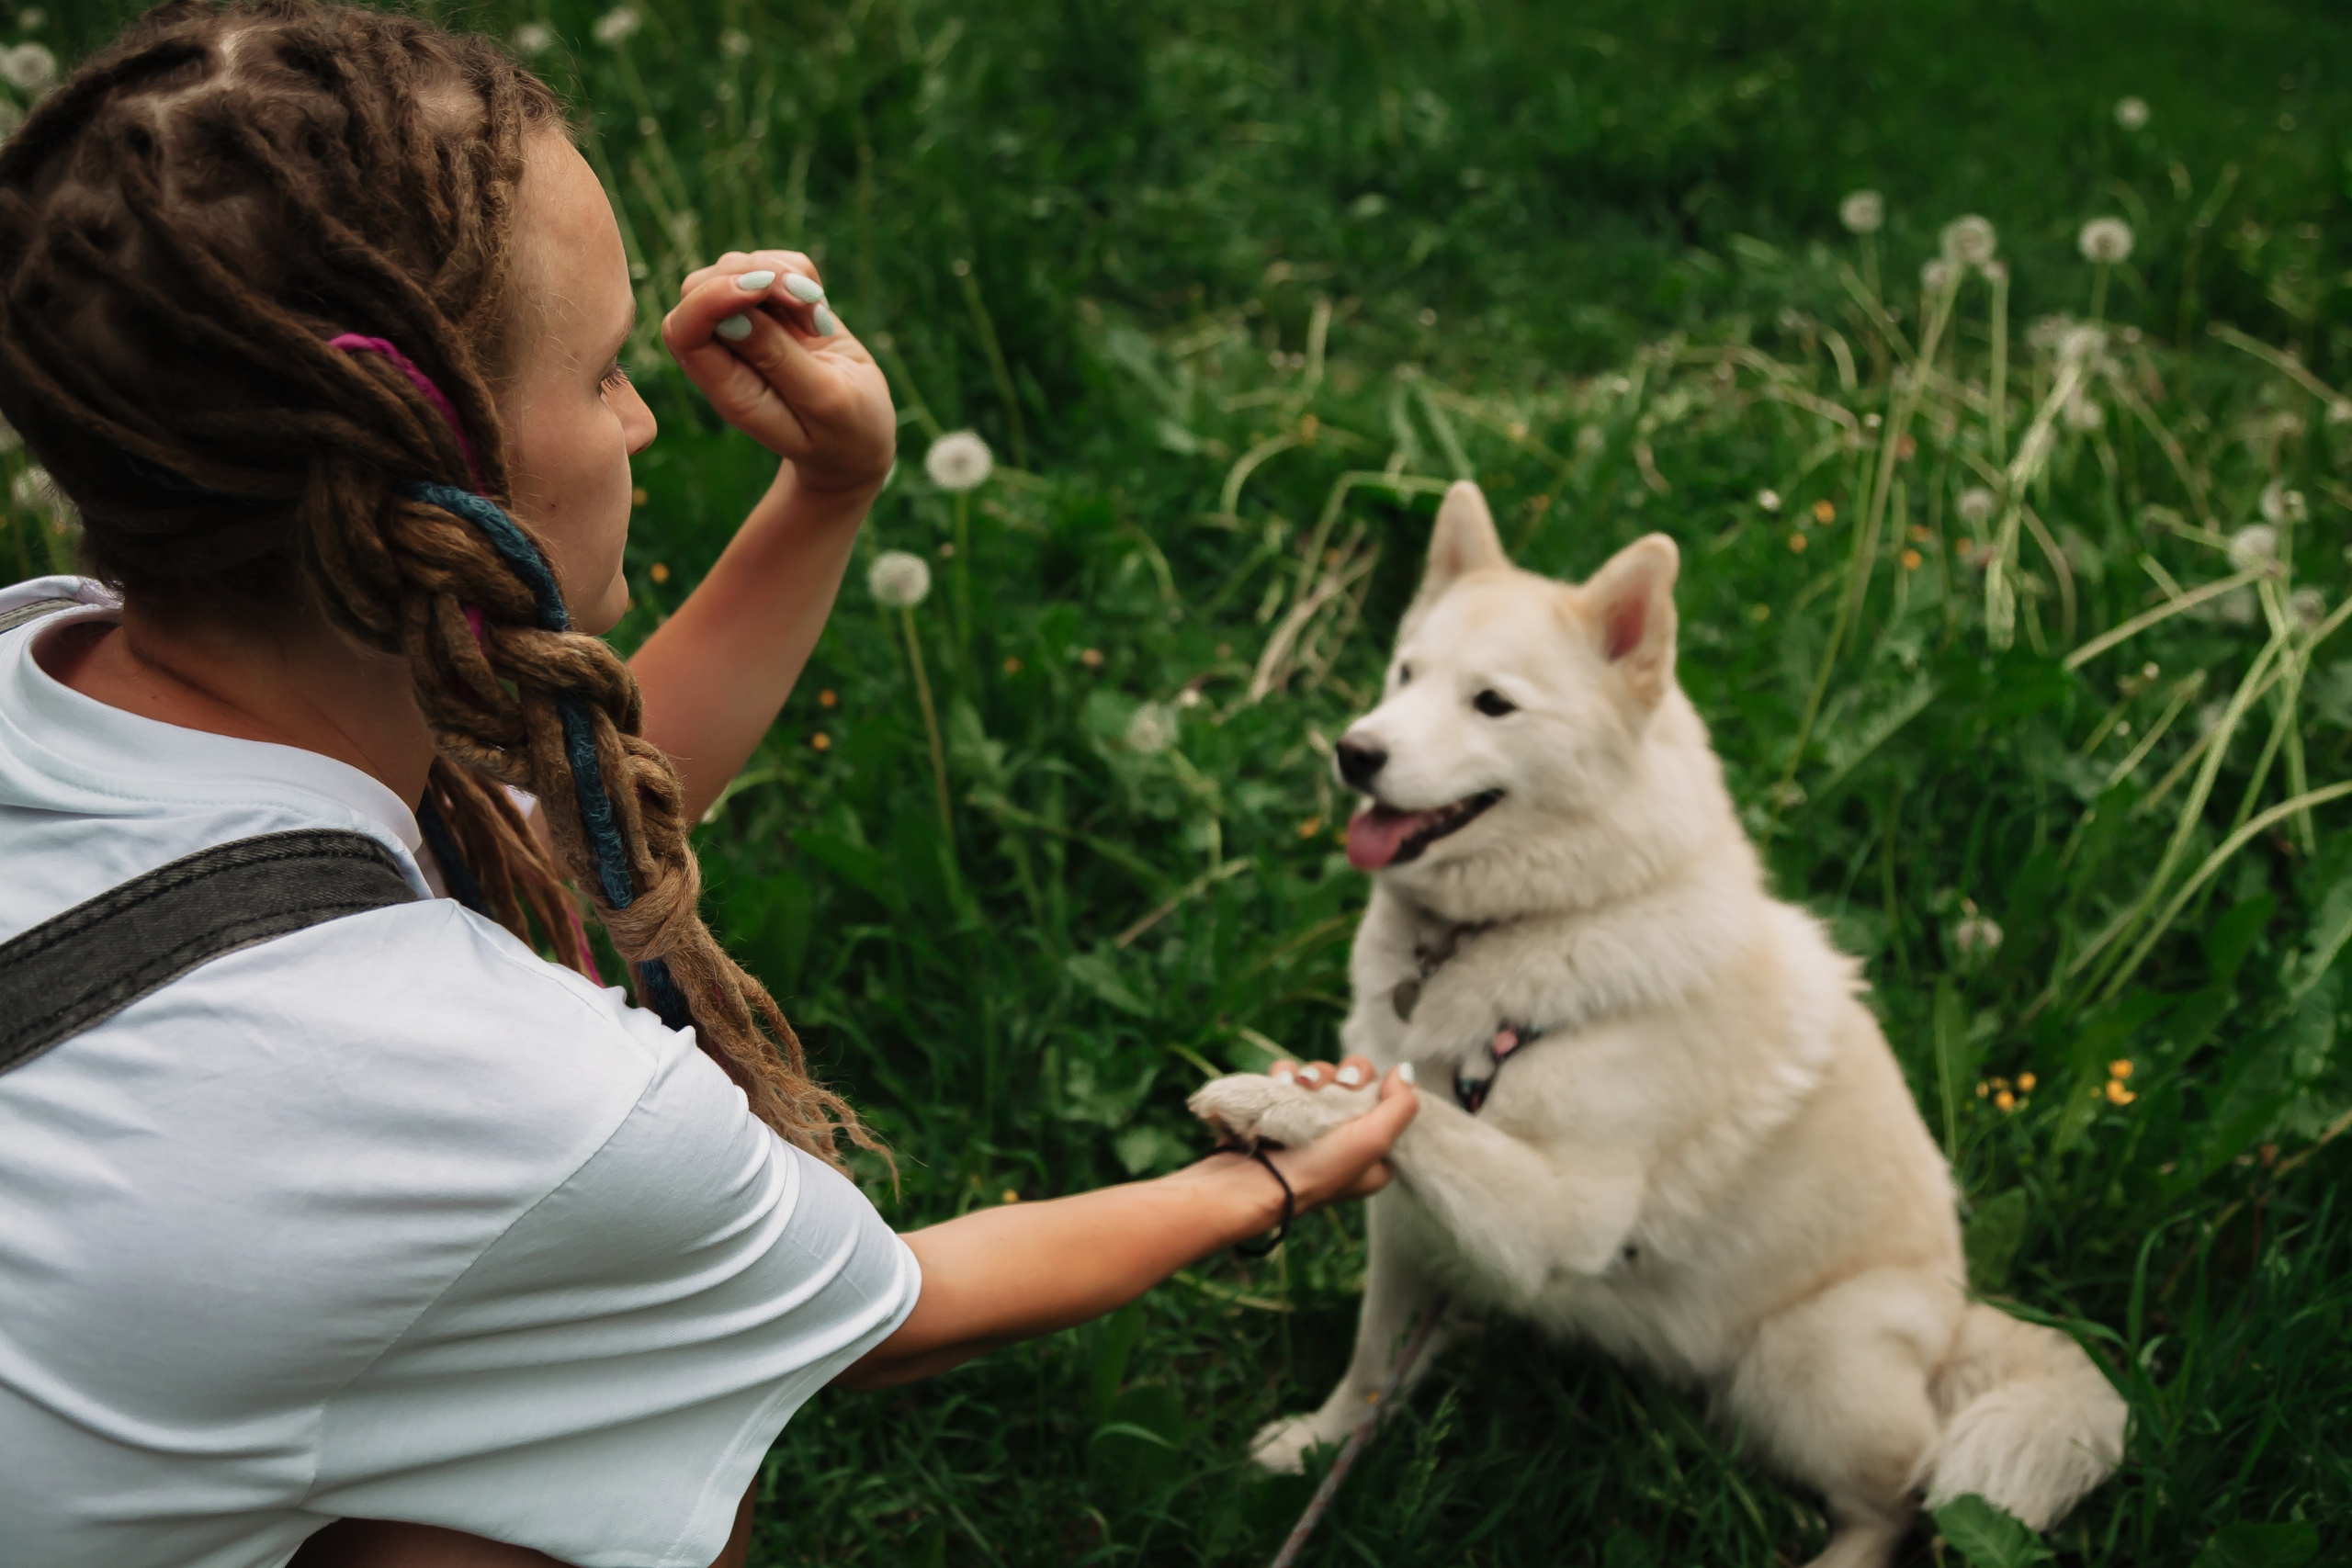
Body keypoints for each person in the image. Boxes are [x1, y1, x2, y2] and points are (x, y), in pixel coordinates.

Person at [0, 6, 1417, 1567]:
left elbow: (551, 834)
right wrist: (1268, 1182)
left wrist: (831, 490)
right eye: (603, 371)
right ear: (421, 465)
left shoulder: (44, 663)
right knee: (640, 1451)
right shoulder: (504, 1092)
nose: (641, 418)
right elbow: (895, 1313)